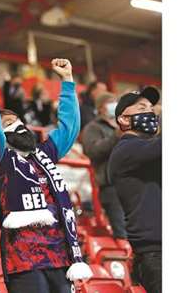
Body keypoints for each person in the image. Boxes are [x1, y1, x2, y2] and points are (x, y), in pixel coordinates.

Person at [0, 59, 92, 293]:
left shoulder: (43, 153)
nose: (16, 126)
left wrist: (68, 82)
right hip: (24, 260)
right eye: (7, 123)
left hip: (60, 255)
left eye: (17, 121)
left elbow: (69, 129)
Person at [108, 87, 161, 293]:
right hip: (156, 254)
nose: (152, 112)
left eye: (152, 107)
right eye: (142, 107)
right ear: (123, 119)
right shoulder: (125, 151)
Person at [82, 92, 126, 239]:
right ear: (101, 107)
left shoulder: (123, 125)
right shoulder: (92, 128)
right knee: (122, 232)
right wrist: (116, 136)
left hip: (130, 182)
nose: (115, 105)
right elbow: (93, 150)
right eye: (111, 102)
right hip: (110, 184)